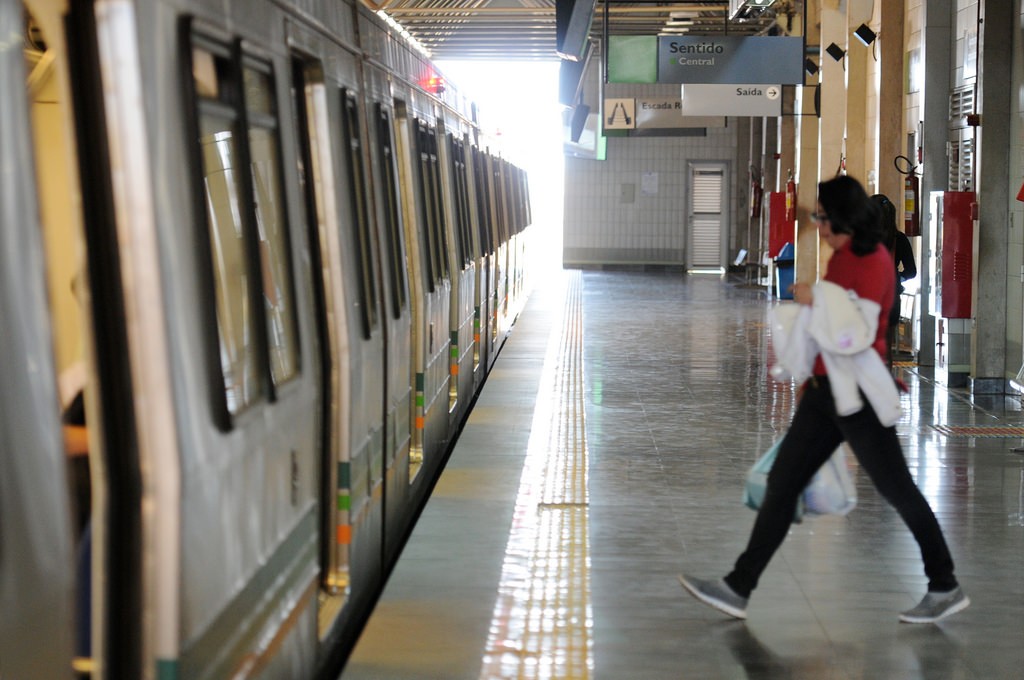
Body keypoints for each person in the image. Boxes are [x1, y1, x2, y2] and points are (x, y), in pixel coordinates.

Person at [678, 175, 969, 624]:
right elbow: (829, 325)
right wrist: (808, 375)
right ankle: (738, 587)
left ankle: (944, 583)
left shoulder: (873, 261)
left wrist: (818, 295)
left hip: (856, 395)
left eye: (823, 217)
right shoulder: (845, 256)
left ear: (843, 217)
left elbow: (856, 331)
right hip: (825, 390)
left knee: (897, 489)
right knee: (783, 483)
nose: (820, 226)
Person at [871, 193, 917, 364]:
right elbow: (911, 272)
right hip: (891, 300)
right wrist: (897, 277)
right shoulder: (900, 239)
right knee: (886, 349)